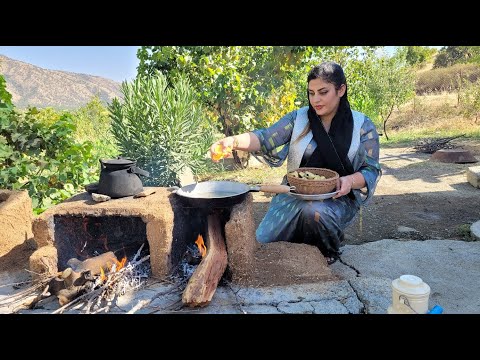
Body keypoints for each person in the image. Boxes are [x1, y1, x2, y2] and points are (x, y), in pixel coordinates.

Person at [209, 61, 382, 265]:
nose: (315, 99)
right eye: (311, 93)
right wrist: (233, 141)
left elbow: (371, 170)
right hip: (293, 195)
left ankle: (324, 255)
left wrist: (349, 181)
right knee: (259, 244)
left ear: (341, 89)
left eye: (323, 92)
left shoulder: (362, 126)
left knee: (315, 213)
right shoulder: (298, 119)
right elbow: (265, 138)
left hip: (336, 199)